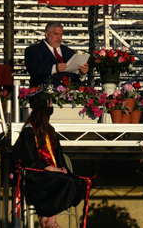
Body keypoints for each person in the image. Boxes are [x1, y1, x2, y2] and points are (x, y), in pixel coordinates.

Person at [11, 90, 90, 228]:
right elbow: (29, 160)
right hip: (35, 178)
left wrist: (62, 167)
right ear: (44, 107)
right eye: (51, 103)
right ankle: (50, 221)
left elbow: (59, 156)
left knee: (78, 182)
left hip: (50, 176)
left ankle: (47, 217)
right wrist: (54, 169)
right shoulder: (29, 131)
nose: (52, 107)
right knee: (65, 182)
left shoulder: (50, 130)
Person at [25, 22, 89, 88]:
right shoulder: (34, 50)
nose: (59, 38)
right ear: (47, 34)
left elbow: (76, 74)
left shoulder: (69, 51)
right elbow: (33, 69)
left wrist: (82, 73)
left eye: (61, 35)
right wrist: (54, 68)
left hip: (74, 88)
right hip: (48, 88)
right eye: (56, 34)